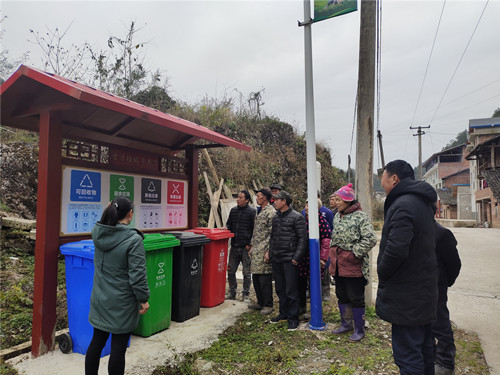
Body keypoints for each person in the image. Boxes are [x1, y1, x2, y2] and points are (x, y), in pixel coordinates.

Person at [377, 160, 438, 374]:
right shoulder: (422, 203)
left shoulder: (403, 204)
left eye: (383, 180)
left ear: (394, 179)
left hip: (406, 296)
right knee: (424, 349)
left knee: (408, 355)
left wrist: (382, 272)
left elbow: (396, 249)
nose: (382, 185)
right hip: (423, 291)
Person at [85, 196, 150, 375]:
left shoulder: (99, 233)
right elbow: (137, 277)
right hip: (121, 303)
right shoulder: (133, 240)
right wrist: (143, 299)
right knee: (118, 349)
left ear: (109, 208)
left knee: (96, 342)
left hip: (100, 298)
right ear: (130, 214)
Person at [329, 183, 376, 342]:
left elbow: (370, 239)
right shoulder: (337, 216)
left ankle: (359, 329)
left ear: (348, 200)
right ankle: (346, 324)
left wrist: (354, 253)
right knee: (341, 294)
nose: (336, 202)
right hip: (338, 264)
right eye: (335, 199)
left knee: (356, 297)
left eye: (339, 200)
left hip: (353, 265)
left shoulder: (360, 216)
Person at [269, 190, 308, 331]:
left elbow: (303, 239)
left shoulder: (297, 217)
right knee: (280, 289)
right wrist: (271, 252)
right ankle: (283, 314)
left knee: (292, 291)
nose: (274, 202)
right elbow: (273, 237)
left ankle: (293, 318)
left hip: (289, 260)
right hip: (277, 258)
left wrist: (296, 258)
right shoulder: (276, 217)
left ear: (284, 201)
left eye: (277, 200)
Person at [433, 222, 461, 375]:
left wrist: (445, 282)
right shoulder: (414, 231)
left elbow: (454, 264)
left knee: (440, 322)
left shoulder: (442, 234)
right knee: (424, 323)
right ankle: (430, 355)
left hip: (437, 286)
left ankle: (446, 361)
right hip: (418, 288)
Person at [298, 198, 331, 319]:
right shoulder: (301, 220)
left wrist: (323, 258)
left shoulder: (321, 221)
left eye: (310, 205)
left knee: (314, 284)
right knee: (300, 283)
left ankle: (314, 309)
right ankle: (301, 307)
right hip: (302, 258)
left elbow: (326, 240)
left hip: (315, 258)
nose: (307, 208)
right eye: (306, 205)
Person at [247, 188, 275, 315]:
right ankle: (260, 302)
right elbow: (256, 231)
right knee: (256, 277)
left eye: (258, 196)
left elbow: (273, 234)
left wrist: (269, 250)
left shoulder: (271, 212)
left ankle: (268, 304)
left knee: (264, 278)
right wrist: (252, 246)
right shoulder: (259, 211)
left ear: (265, 198)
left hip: (265, 250)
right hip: (257, 250)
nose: (257, 198)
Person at [225, 190, 256, 302]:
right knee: (230, 270)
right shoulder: (233, 211)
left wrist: (250, 244)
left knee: (246, 272)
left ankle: (246, 294)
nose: (238, 199)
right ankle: (232, 293)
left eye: (241, 197)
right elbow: (229, 225)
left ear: (247, 200)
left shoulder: (252, 212)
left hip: (245, 247)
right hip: (234, 245)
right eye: (237, 197)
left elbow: (254, 229)